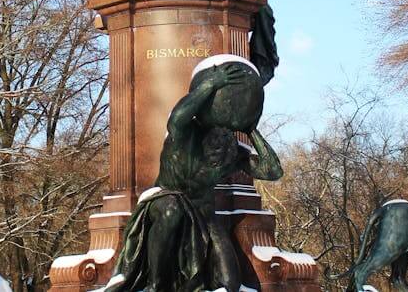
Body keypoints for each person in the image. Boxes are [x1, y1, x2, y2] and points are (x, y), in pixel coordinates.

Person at [102, 55, 283, 292]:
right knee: (171, 208)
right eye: (215, 145)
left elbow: (272, 170)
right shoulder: (184, 136)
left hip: (204, 216)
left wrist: (251, 130)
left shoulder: (231, 153)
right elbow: (177, 117)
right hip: (164, 200)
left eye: (224, 143)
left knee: (229, 282)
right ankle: (157, 285)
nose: (219, 150)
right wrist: (211, 84)